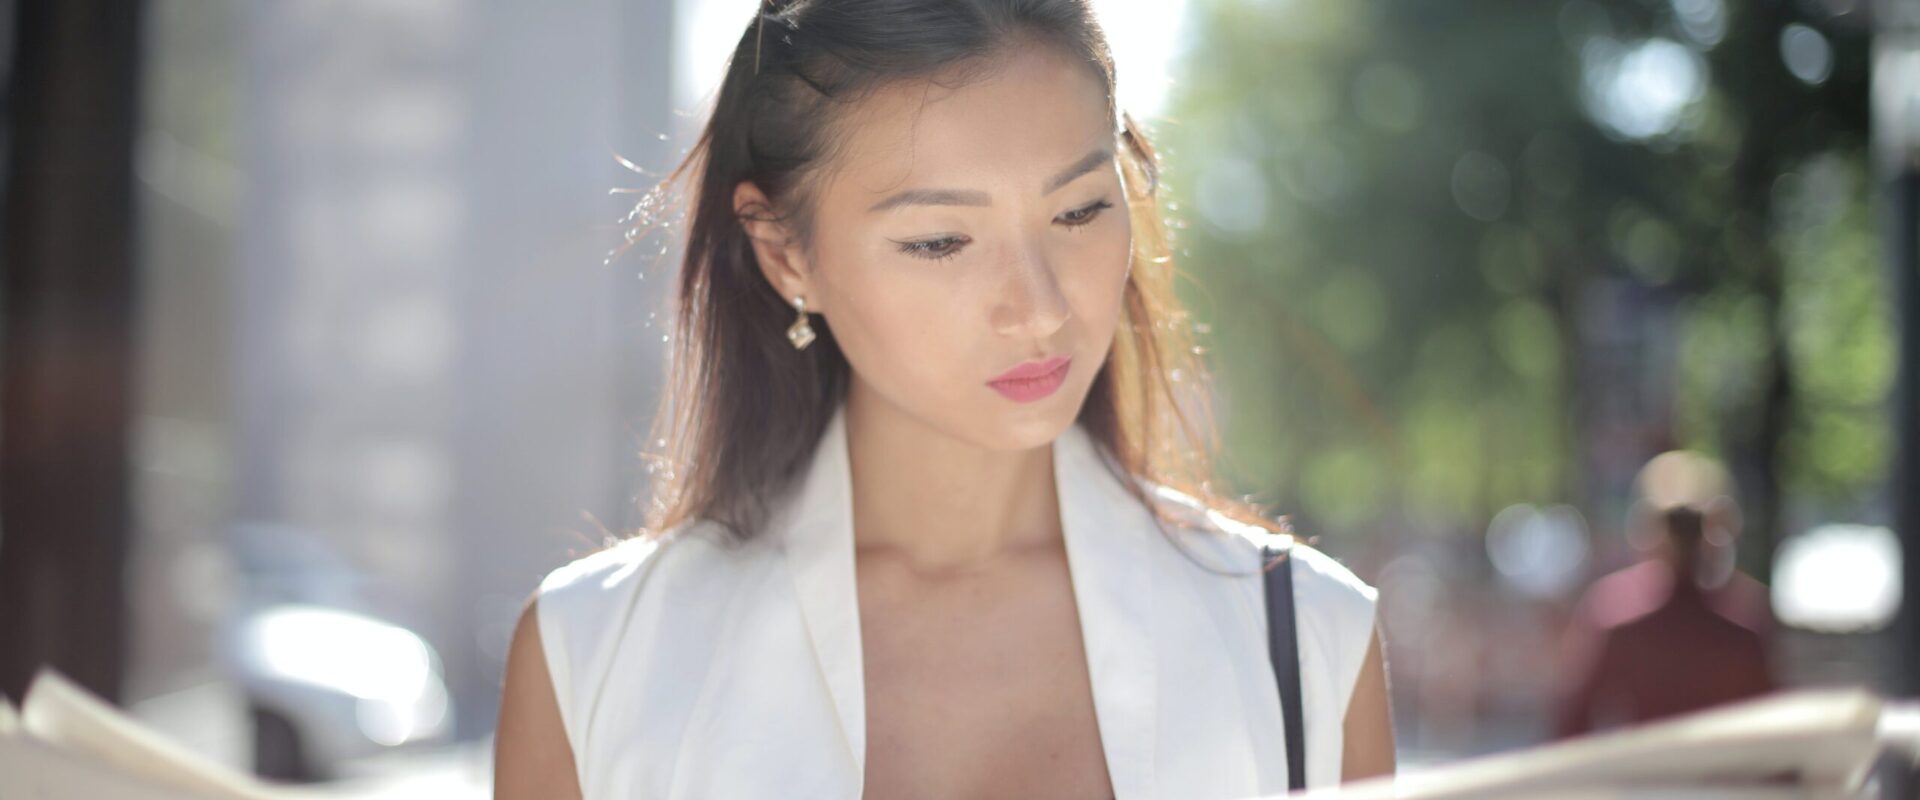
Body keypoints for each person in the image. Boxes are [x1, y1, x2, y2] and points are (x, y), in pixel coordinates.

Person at [493, 1, 1395, 797]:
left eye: (1079, 211)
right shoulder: (595, 660)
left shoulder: (1305, 641)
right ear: (784, 254)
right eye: (940, 242)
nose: (1039, 308)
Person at [1552, 451, 1776, 738]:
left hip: (1650, 778)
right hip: (1709, 779)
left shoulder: (1615, 614)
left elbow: (1571, 725)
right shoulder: (1743, 620)